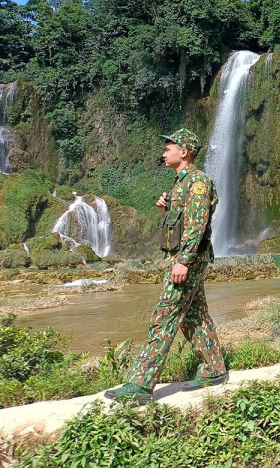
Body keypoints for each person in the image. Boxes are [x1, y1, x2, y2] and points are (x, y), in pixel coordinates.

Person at [105, 129, 226, 404]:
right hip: (183, 257)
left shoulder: (197, 182)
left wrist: (183, 260)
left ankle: (140, 384)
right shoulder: (180, 183)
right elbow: (183, 220)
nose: (164, 151)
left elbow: (197, 225)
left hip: (188, 259)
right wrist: (166, 208)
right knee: (195, 317)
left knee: (164, 317)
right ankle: (214, 368)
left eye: (169, 146)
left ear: (184, 152)